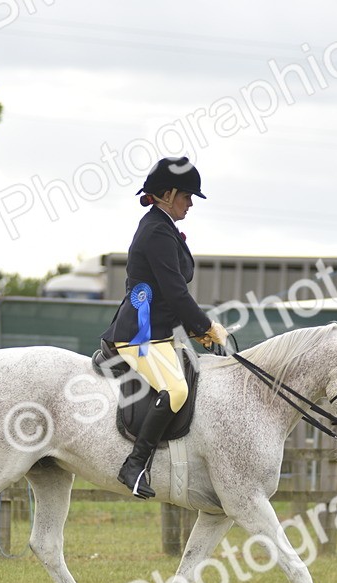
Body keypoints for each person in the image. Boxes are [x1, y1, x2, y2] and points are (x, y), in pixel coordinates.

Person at [101, 156, 229, 499]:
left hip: (160, 333)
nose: (190, 204)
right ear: (168, 193)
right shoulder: (157, 230)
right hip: (139, 335)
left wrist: (201, 331)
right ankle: (135, 464)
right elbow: (175, 292)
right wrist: (206, 328)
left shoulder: (162, 226)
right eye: (187, 196)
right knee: (176, 391)